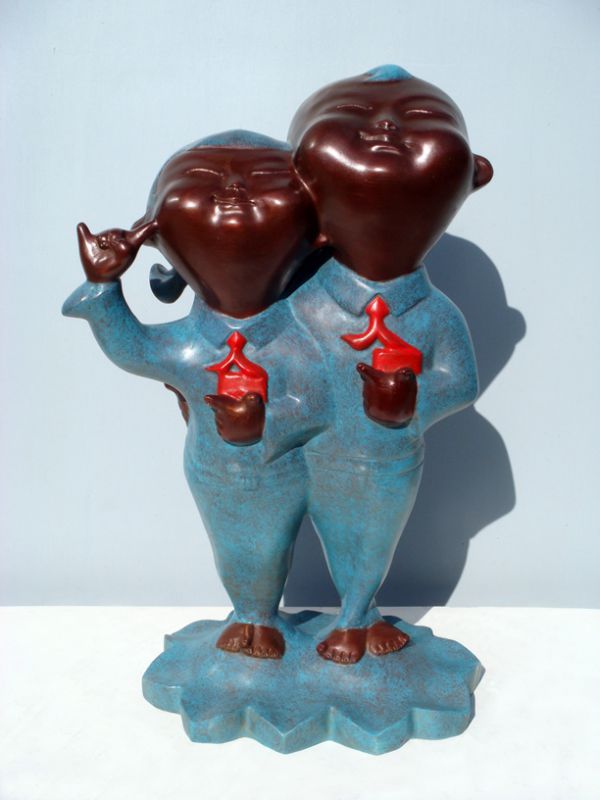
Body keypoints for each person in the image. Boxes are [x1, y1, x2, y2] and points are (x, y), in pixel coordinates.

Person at [63, 130, 329, 660]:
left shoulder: (300, 338)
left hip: (283, 467)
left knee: (272, 541)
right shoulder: (189, 344)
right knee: (232, 546)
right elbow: (134, 349)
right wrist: (104, 285)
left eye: (261, 179)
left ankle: (274, 618)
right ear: (155, 234)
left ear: (315, 236)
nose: (232, 188)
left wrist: (268, 422)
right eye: (204, 179)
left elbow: (318, 401)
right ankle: (251, 614)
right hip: (213, 468)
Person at [287, 65, 493, 663]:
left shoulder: (434, 314)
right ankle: (271, 613)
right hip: (310, 452)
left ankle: (357, 616)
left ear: (473, 175)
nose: (384, 125)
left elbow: (461, 382)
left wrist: (412, 403)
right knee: (318, 529)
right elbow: (272, 356)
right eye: (352, 114)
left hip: (388, 458)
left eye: (421, 118)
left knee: (374, 540)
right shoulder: (302, 301)